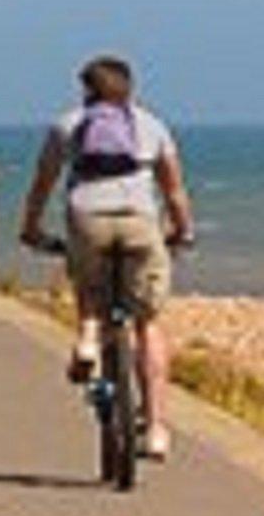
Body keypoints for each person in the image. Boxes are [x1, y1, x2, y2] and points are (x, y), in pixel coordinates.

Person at [16, 55, 195, 461]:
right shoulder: (151, 126)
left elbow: (42, 183)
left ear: (87, 90)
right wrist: (183, 230)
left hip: (87, 218)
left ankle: (89, 339)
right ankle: (156, 429)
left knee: (88, 280)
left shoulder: (68, 125)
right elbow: (174, 191)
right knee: (147, 322)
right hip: (139, 223)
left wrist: (31, 228)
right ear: (129, 89)